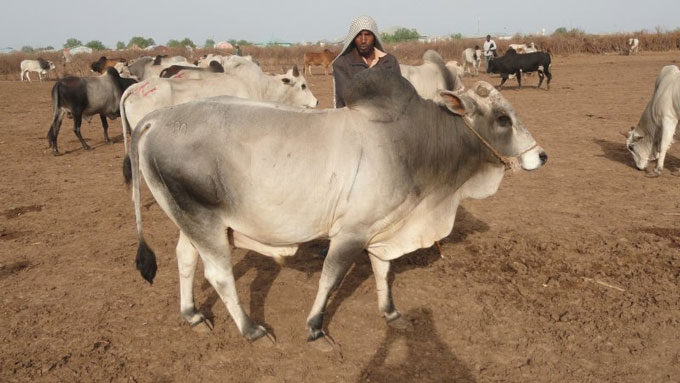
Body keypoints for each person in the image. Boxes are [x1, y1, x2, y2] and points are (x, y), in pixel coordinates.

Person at [332, 15, 401, 108]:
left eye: (367, 34)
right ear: (353, 38)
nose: (363, 40)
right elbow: (349, 97)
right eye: (358, 35)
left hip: (386, 120)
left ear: (374, 37)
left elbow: (398, 94)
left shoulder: (390, 62)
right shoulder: (342, 64)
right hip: (351, 121)